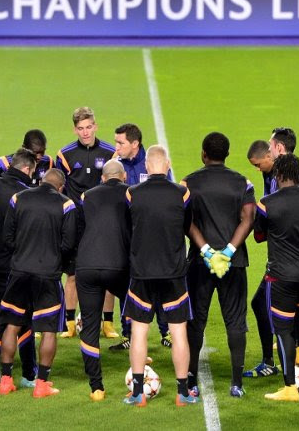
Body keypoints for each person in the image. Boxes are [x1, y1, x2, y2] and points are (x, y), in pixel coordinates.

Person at [123, 145, 197, 407]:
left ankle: (138, 394)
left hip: (142, 272)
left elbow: (128, 226)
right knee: (178, 332)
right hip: (173, 273)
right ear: (167, 165)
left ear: (146, 167)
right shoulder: (182, 193)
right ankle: (182, 393)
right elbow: (187, 224)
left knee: (139, 332)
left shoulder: (132, 193)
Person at [184, 133, 255, 398]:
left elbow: (186, 222)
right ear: (227, 154)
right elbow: (247, 219)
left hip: (200, 264)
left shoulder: (189, 183)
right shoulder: (242, 183)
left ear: (204, 154)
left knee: (196, 321)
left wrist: (207, 251)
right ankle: (237, 382)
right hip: (233, 264)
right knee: (236, 321)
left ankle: (190, 380)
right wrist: (227, 252)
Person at [0, 169, 78, 397]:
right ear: (60, 187)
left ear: (41, 181)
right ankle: (41, 384)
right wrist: (53, 259)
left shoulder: (18, 198)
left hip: (19, 272)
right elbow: (68, 244)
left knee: (12, 325)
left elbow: (8, 237)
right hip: (48, 275)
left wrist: (23, 254)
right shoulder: (66, 204)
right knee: (48, 330)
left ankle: (5, 381)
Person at [243, 129, 299, 378]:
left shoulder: (291, 181)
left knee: (284, 314)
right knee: (271, 305)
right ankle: (284, 357)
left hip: (286, 263)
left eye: (260, 162)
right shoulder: (278, 177)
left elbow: (266, 229)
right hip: (297, 261)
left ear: (278, 150)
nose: (258, 168)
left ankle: (290, 363)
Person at [253, 153, 299, 402]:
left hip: (280, 275)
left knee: (282, 330)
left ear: (278, 175)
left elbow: (259, 236)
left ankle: (290, 386)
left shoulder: (267, 202)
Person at [55, 107, 116, 338]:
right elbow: (58, 187)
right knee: (73, 273)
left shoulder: (110, 152)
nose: (85, 132)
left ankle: (107, 323)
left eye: (89, 127)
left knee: (108, 272)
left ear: (96, 126)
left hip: (103, 222)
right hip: (76, 223)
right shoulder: (65, 154)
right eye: (81, 128)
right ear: (74, 129)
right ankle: (70, 322)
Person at [110, 123, 171, 350]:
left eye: (120, 143)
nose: (116, 147)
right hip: (128, 234)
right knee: (128, 285)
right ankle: (128, 335)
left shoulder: (153, 161)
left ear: (134, 144)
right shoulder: (115, 165)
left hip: (155, 234)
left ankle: (167, 332)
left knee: (163, 283)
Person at [75, 159, 131, 401]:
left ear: (103, 178)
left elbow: (78, 230)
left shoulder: (86, 196)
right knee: (137, 310)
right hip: (119, 265)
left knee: (89, 325)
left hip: (87, 265)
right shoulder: (131, 194)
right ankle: (137, 360)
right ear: (124, 175)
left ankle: (96, 386)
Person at [0, 149, 39, 387]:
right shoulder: (26, 194)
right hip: (20, 263)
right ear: (27, 169)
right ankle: (28, 373)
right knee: (23, 316)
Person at [0, 129, 54, 199]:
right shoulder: (4, 163)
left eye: (42, 152)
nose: (39, 156)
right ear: (24, 148)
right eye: (35, 152)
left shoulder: (48, 162)